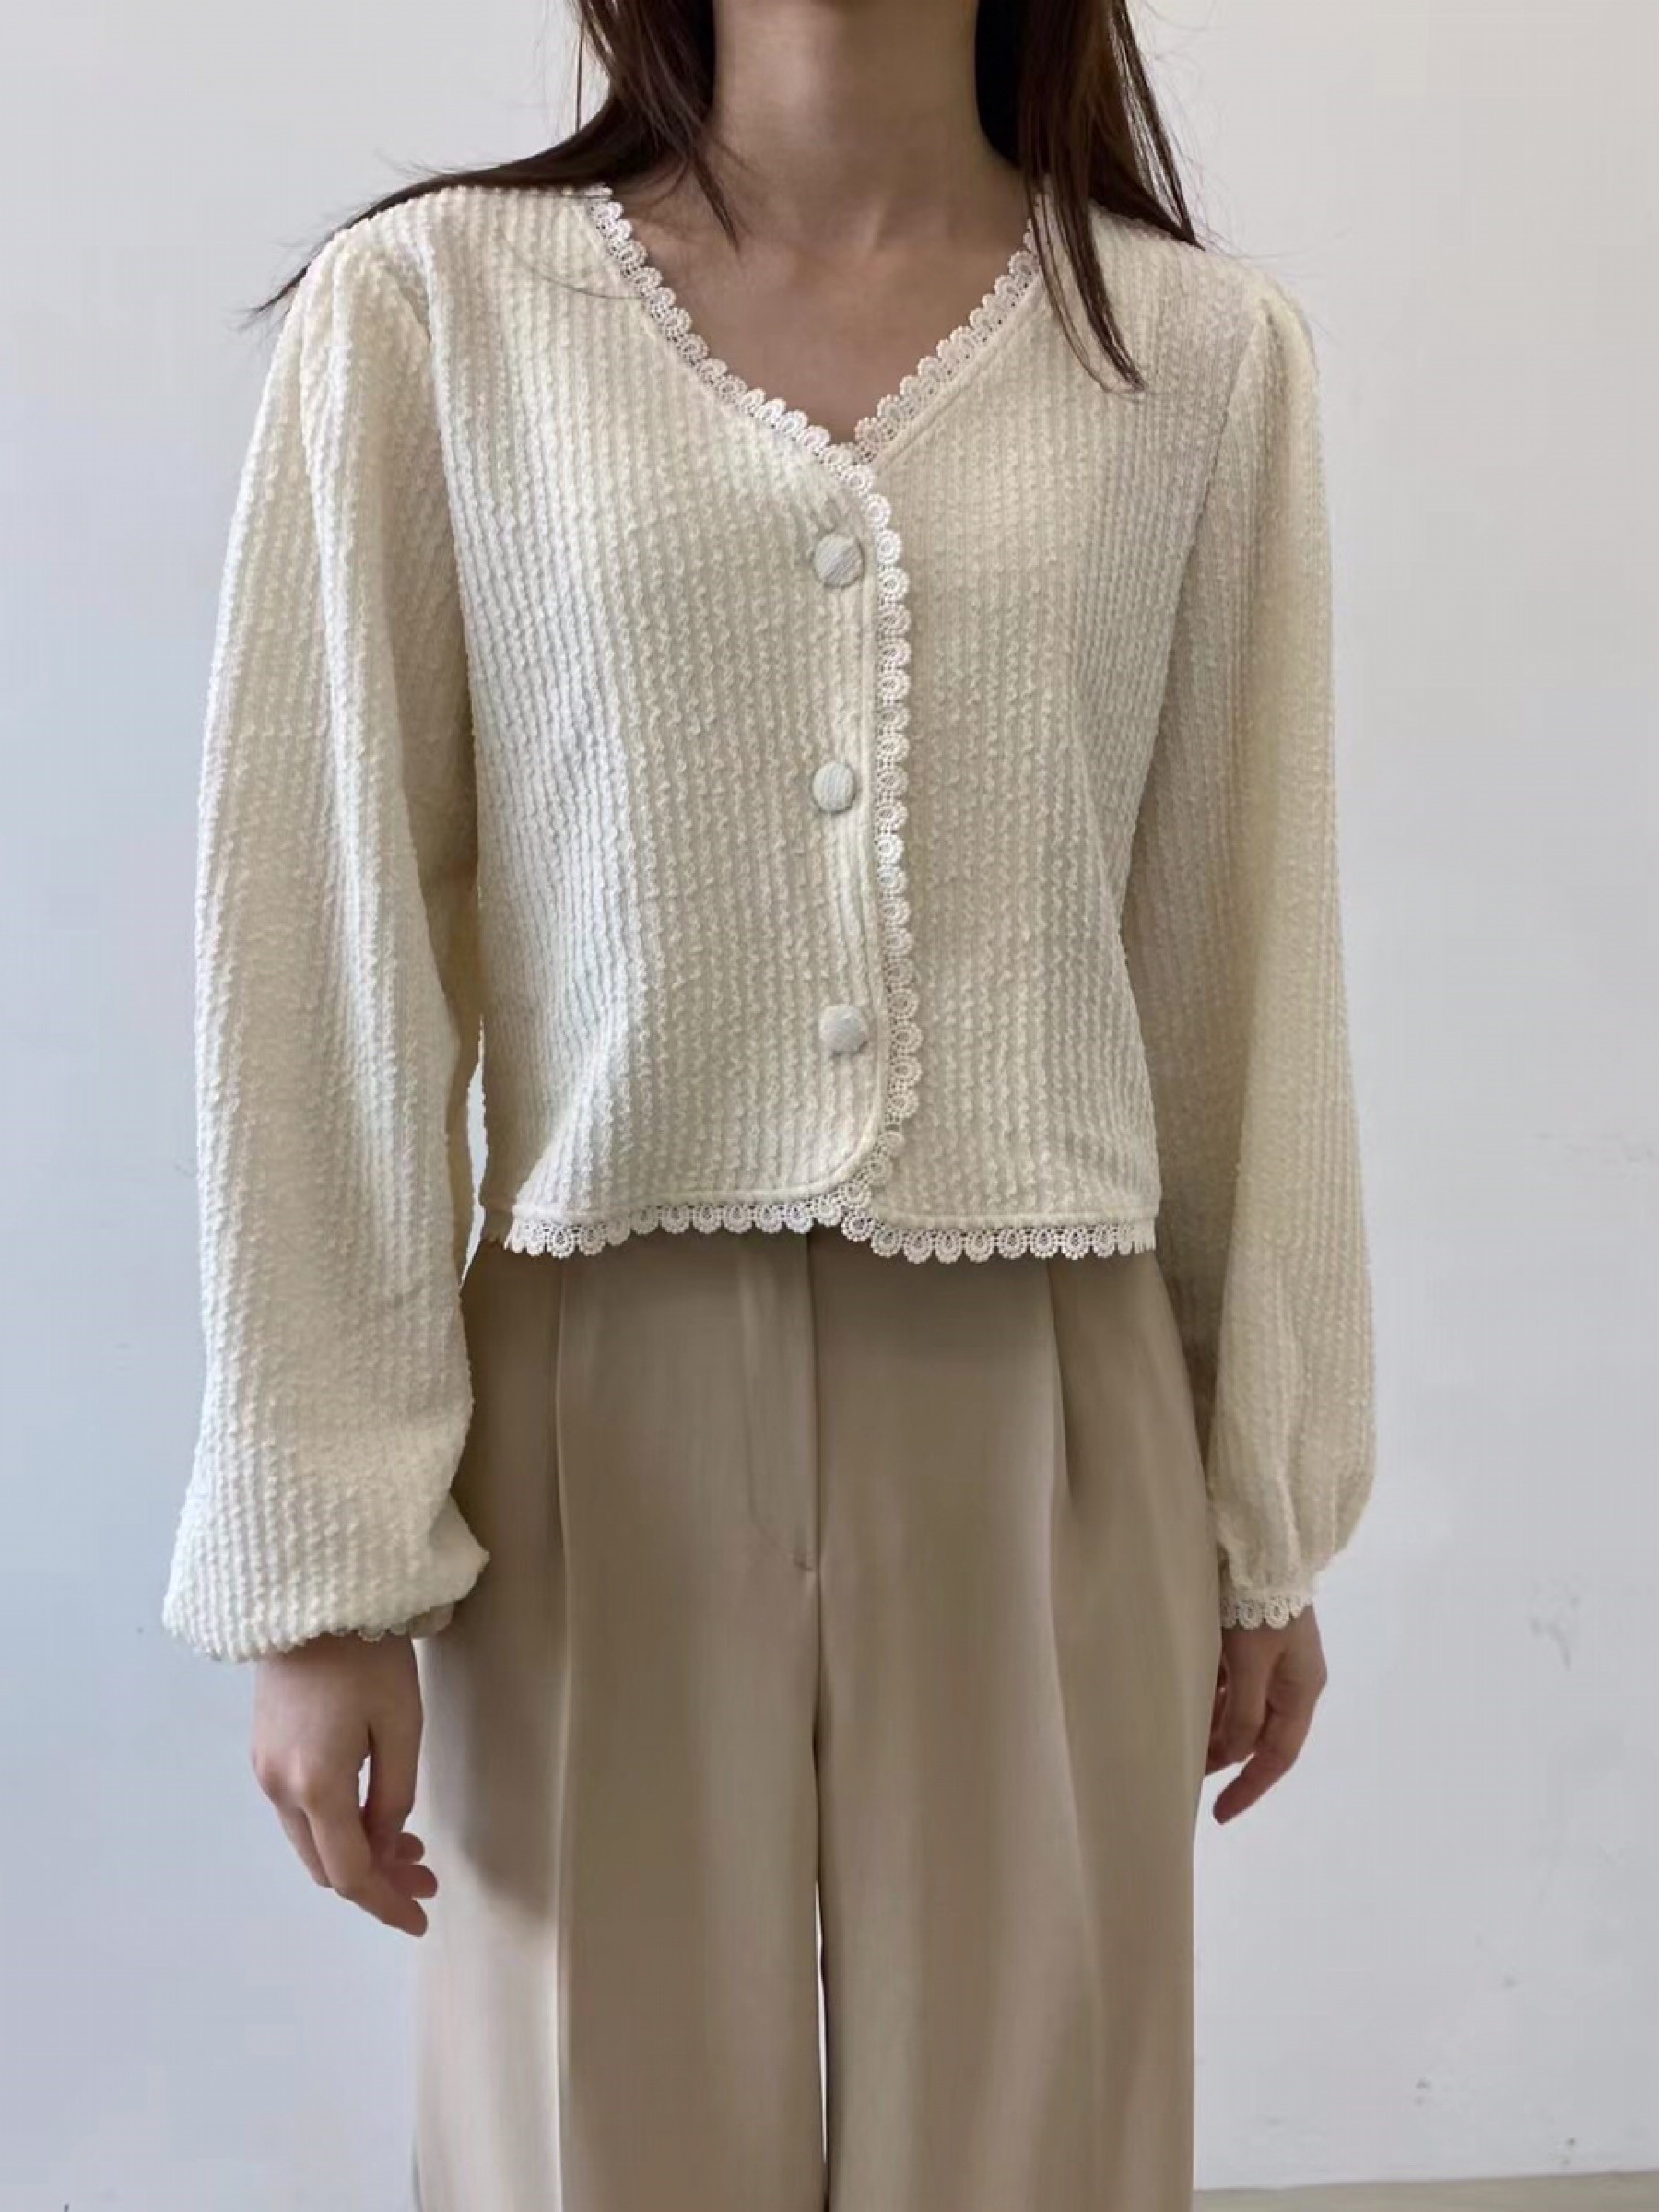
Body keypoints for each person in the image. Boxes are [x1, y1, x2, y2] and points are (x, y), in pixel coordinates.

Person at [162, 0, 1378, 2205]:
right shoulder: (432, 317)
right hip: (590, 1403)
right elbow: (323, 961)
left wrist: (1259, 1504)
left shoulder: (1198, 360)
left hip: (1049, 1395)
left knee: (1039, 2152)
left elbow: (1237, 958)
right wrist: (323, 1569)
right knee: (585, 2146)